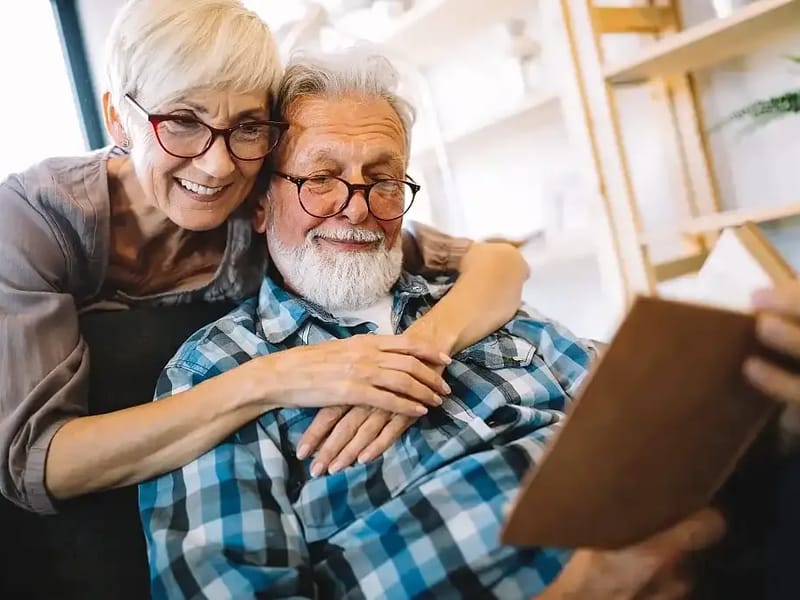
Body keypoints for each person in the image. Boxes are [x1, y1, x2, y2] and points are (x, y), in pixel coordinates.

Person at [139, 49, 725, 599]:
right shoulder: (217, 366)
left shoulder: (474, 302)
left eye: (384, 179)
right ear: (262, 205)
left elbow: (652, 414)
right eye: (320, 178)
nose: (359, 206)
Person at [0, 0, 530, 515]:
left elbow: (499, 264)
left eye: (248, 126)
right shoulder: (34, 217)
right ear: (118, 117)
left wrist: (412, 354)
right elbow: (36, 462)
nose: (218, 165)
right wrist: (271, 377)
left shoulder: (269, 204)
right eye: (184, 120)